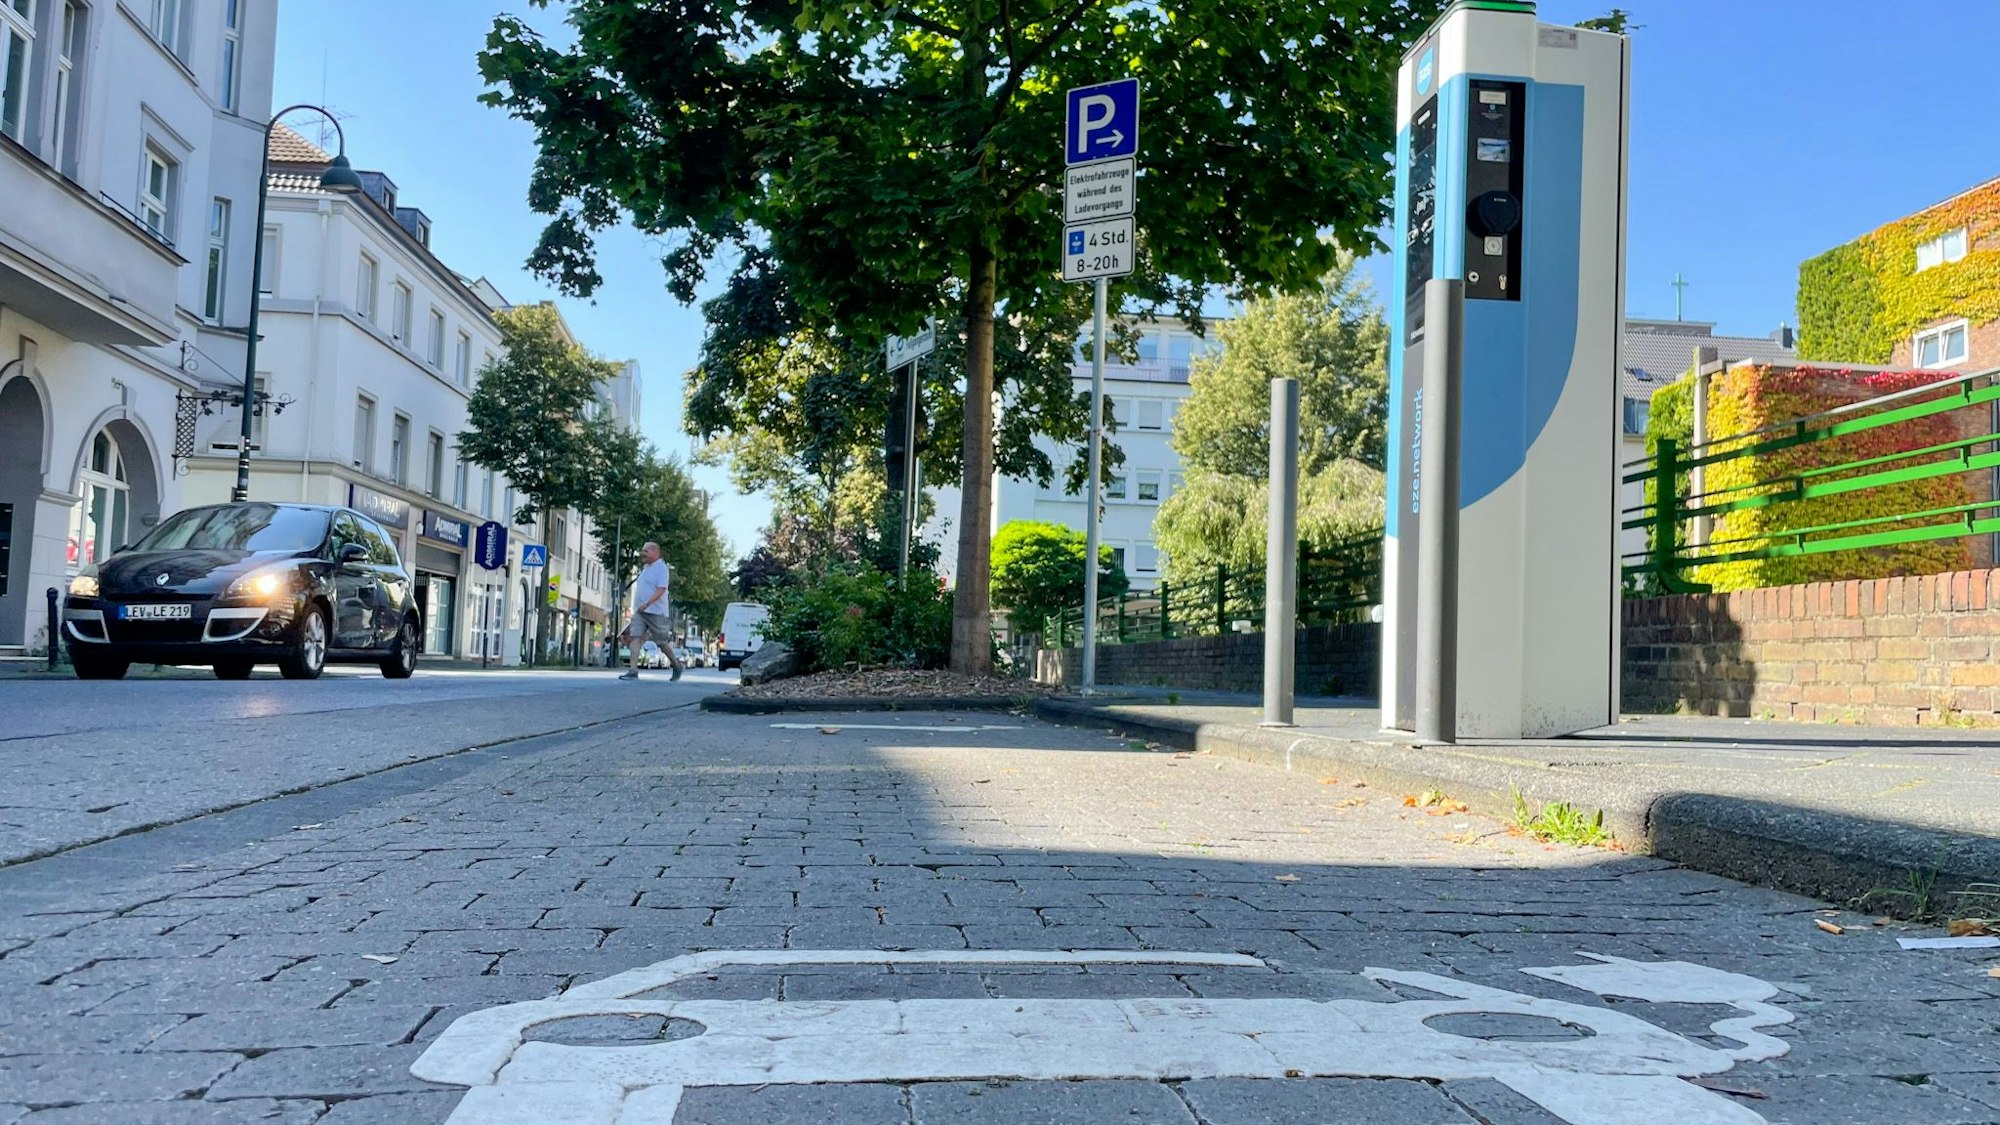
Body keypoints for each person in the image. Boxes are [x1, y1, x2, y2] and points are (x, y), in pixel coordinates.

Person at [621, 541, 683, 682]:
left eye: (646, 551)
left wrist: (648, 603)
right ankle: (633, 671)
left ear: (655, 552)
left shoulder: (661, 569)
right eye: (642, 550)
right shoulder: (646, 568)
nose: (643, 553)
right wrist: (639, 606)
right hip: (640, 612)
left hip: (656, 612)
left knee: (661, 642)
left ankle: (676, 665)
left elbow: (661, 590)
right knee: (635, 639)